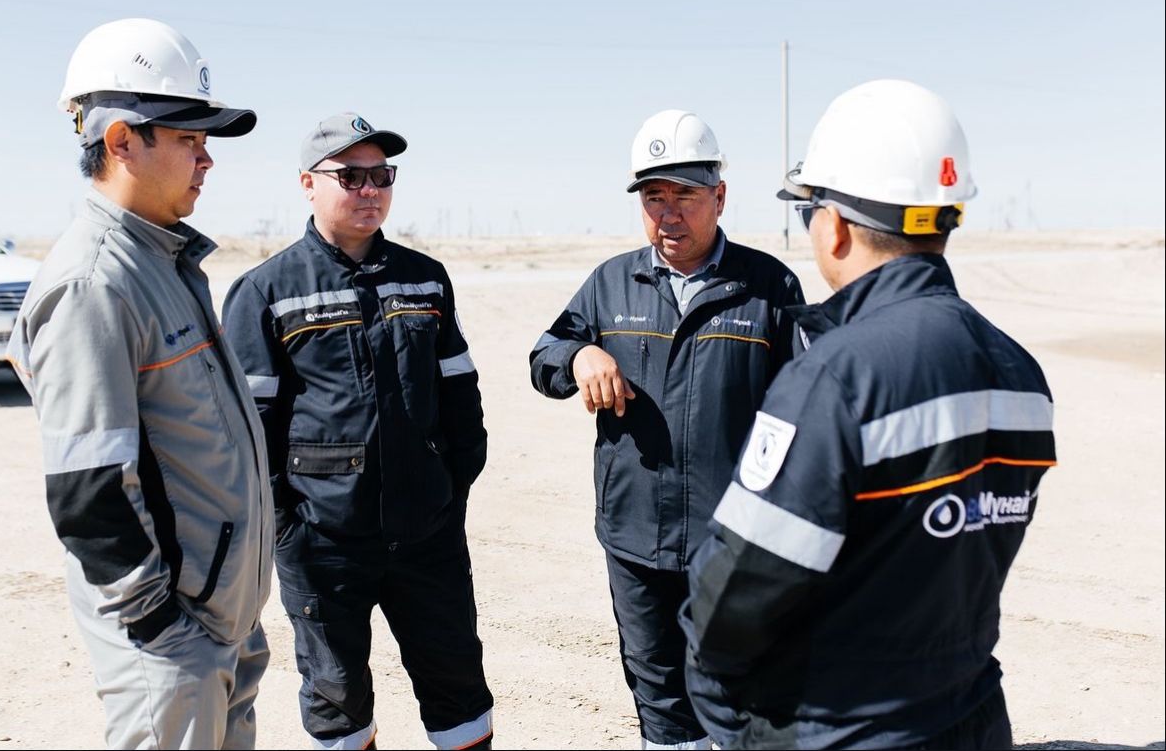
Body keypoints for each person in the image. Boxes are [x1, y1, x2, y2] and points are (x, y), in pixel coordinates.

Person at [681, 79, 1058, 750]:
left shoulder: (835, 379)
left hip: (840, 725)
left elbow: (738, 593)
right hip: (968, 711)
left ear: (834, 225)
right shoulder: (1019, 371)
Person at [6, 18, 274, 749]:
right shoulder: (94, 283)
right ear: (122, 140)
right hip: (174, 645)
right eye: (189, 137)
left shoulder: (161, 260)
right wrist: (163, 630)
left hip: (220, 625)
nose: (207, 158)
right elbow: (88, 490)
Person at [529, 110, 804, 750]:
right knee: (658, 693)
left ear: (720, 197)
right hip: (634, 536)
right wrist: (579, 356)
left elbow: (807, 408)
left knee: (740, 692)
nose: (668, 214)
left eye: (685, 196)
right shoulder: (610, 283)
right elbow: (544, 358)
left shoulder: (768, 286)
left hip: (733, 541)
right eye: (654, 197)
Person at [222, 113, 493, 751]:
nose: (370, 190)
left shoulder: (425, 278)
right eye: (350, 177)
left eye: (382, 176)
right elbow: (247, 431)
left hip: (426, 535)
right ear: (307, 185)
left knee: (457, 683)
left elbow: (460, 395)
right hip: (323, 542)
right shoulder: (265, 291)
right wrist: (287, 527)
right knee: (336, 695)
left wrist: (448, 490)